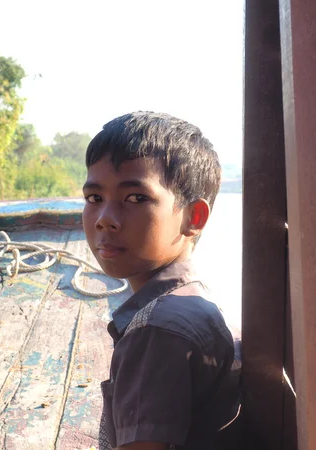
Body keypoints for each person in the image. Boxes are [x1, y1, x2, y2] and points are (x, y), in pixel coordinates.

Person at [82, 111, 241, 450]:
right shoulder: (193, 300)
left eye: (136, 198)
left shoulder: (157, 332)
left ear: (193, 218)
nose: (105, 220)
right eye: (94, 198)